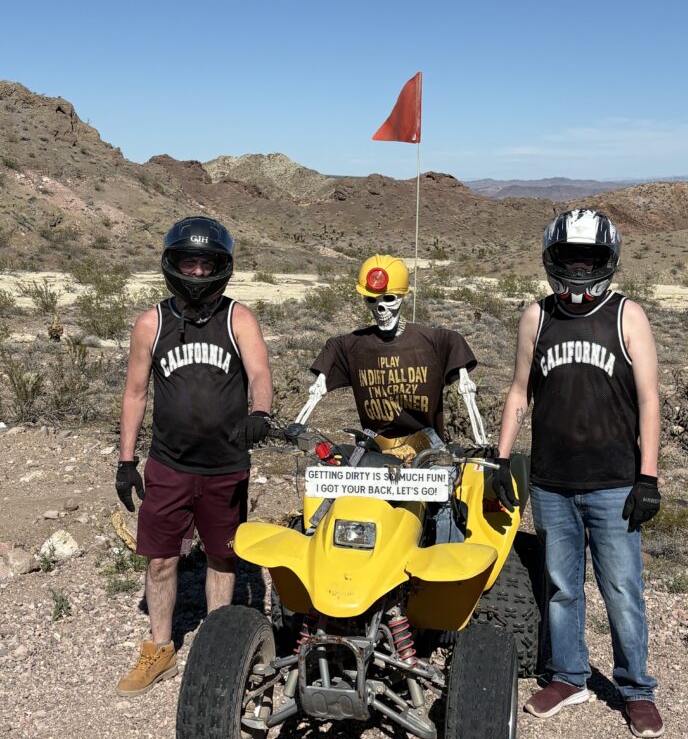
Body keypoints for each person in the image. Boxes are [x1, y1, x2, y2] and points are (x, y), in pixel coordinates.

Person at [495, 209, 663, 738]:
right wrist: (502, 457)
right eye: (570, 257)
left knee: (622, 589)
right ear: (553, 259)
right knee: (561, 587)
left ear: (607, 261)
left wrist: (649, 477)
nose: (579, 268)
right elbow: (519, 390)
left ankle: (636, 688)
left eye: (589, 259)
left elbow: (649, 398)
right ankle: (569, 676)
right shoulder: (537, 317)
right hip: (551, 482)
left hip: (615, 481)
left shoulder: (627, 315)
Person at [114, 215, 273, 697]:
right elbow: (135, 393)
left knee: (223, 558)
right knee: (161, 560)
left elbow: (260, 373)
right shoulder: (152, 322)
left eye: (207, 264)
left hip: (226, 464)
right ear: (173, 264)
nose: (198, 272)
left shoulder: (238, 318)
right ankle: (160, 649)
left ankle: (218, 651)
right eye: (190, 262)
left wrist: (261, 411)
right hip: (170, 464)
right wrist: (126, 461)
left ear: (221, 267)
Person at [292, 254, 484, 461]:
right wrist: (297, 425)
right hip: (375, 444)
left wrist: (481, 443)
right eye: (372, 300)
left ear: (402, 297)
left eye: (389, 299)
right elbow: (318, 387)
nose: (380, 308)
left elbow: (465, 384)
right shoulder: (350, 345)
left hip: (426, 443)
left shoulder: (437, 341)